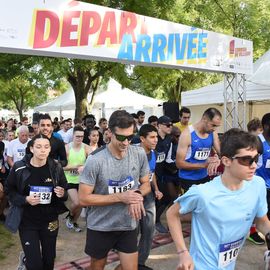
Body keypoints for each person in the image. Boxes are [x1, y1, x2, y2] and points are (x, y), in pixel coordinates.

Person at [167, 128, 270, 270]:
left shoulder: (258, 185)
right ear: (226, 161)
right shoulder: (203, 193)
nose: (253, 165)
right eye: (246, 160)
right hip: (201, 266)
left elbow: (261, 220)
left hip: (229, 265)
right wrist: (183, 252)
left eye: (256, 158)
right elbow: (171, 214)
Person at [79, 110, 151, 270]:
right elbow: (83, 198)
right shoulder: (95, 160)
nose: (126, 142)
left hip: (128, 224)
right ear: (109, 133)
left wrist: (137, 195)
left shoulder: (138, 153)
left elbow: (146, 184)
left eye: (130, 137)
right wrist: (122, 197)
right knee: (97, 267)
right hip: (100, 226)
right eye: (121, 137)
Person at [6, 134, 68, 270]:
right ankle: (27, 260)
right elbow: (9, 191)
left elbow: (65, 190)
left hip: (50, 220)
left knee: (49, 261)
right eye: (38, 147)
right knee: (35, 265)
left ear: (50, 149)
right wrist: (25, 199)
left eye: (46, 147)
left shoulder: (56, 168)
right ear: (32, 149)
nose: (42, 150)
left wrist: (62, 193)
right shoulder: (19, 167)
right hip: (27, 221)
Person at [176, 107, 221, 193]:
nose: (215, 129)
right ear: (204, 119)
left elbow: (220, 152)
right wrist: (203, 165)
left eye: (217, 126)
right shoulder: (187, 134)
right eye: (213, 125)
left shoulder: (212, 132)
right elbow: (179, 164)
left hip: (204, 176)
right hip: (188, 179)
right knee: (192, 206)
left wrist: (217, 159)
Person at [137, 124, 163, 270]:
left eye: (156, 137)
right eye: (152, 137)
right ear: (142, 138)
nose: (155, 140)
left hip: (149, 197)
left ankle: (140, 263)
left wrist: (157, 189)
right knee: (131, 233)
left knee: (149, 231)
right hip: (135, 197)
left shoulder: (153, 153)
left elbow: (151, 175)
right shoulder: (133, 153)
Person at [64, 126, 91, 232]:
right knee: (76, 202)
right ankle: (70, 215)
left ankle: (73, 221)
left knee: (81, 203)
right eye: (77, 136)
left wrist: (85, 167)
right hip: (69, 179)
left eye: (81, 136)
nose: (79, 139)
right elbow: (62, 167)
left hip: (82, 180)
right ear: (73, 136)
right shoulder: (67, 148)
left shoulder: (86, 148)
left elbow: (92, 163)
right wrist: (76, 167)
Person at [247, 117, 265, 245]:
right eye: (259, 132)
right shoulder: (247, 145)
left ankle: (253, 230)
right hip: (249, 181)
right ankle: (252, 231)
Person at [155, 115, 173, 233]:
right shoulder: (152, 137)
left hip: (161, 174)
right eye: (167, 125)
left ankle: (156, 220)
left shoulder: (169, 139)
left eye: (171, 125)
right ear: (159, 125)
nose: (170, 127)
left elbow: (168, 158)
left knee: (166, 197)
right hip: (147, 174)